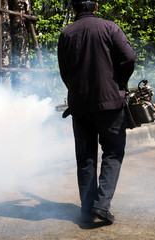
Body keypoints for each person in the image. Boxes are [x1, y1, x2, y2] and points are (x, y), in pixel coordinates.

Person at [58, 0, 136, 225]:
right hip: (110, 104)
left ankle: (86, 210)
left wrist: (75, 91)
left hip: (79, 105)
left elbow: (65, 71)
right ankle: (101, 206)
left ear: (73, 8)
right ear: (96, 6)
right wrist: (121, 81)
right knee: (113, 152)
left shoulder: (66, 34)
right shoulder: (110, 27)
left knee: (85, 157)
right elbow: (129, 57)